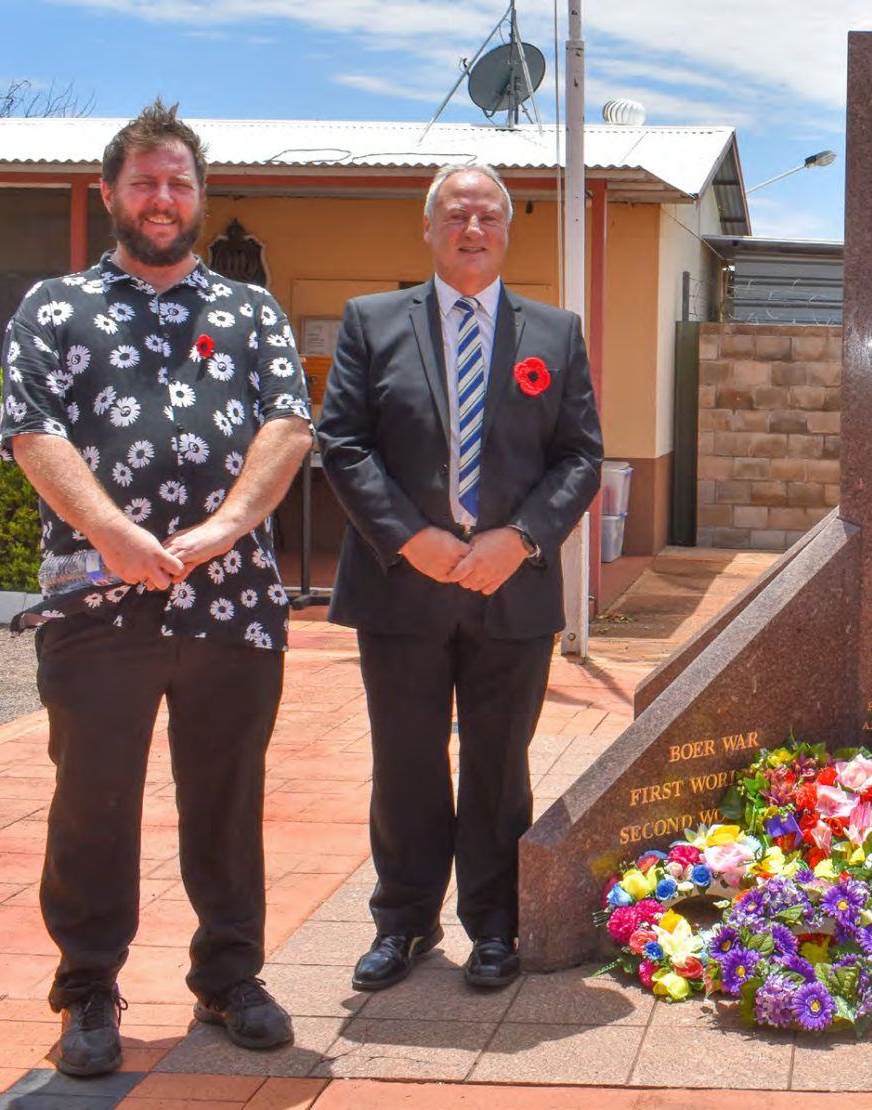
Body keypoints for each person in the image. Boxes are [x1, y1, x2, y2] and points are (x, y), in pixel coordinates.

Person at [0, 101, 311, 1077]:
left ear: (199, 195)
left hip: (235, 606)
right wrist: (114, 533)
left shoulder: (251, 312)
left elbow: (289, 424)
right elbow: (31, 431)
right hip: (96, 606)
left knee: (227, 797)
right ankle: (87, 989)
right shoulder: (54, 308)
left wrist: (222, 530)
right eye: (144, 182)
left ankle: (229, 977)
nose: (162, 199)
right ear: (110, 193)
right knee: (93, 799)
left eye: (178, 182)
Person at [316, 164, 602, 993]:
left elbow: (581, 456)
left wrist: (520, 539)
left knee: (497, 762)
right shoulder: (373, 322)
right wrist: (412, 540)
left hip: (510, 589)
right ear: (429, 228)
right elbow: (343, 442)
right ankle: (402, 923)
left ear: (508, 230)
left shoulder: (555, 330)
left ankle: (495, 925)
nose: (471, 229)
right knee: (405, 760)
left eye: (487, 216)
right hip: (401, 587)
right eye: (455, 215)